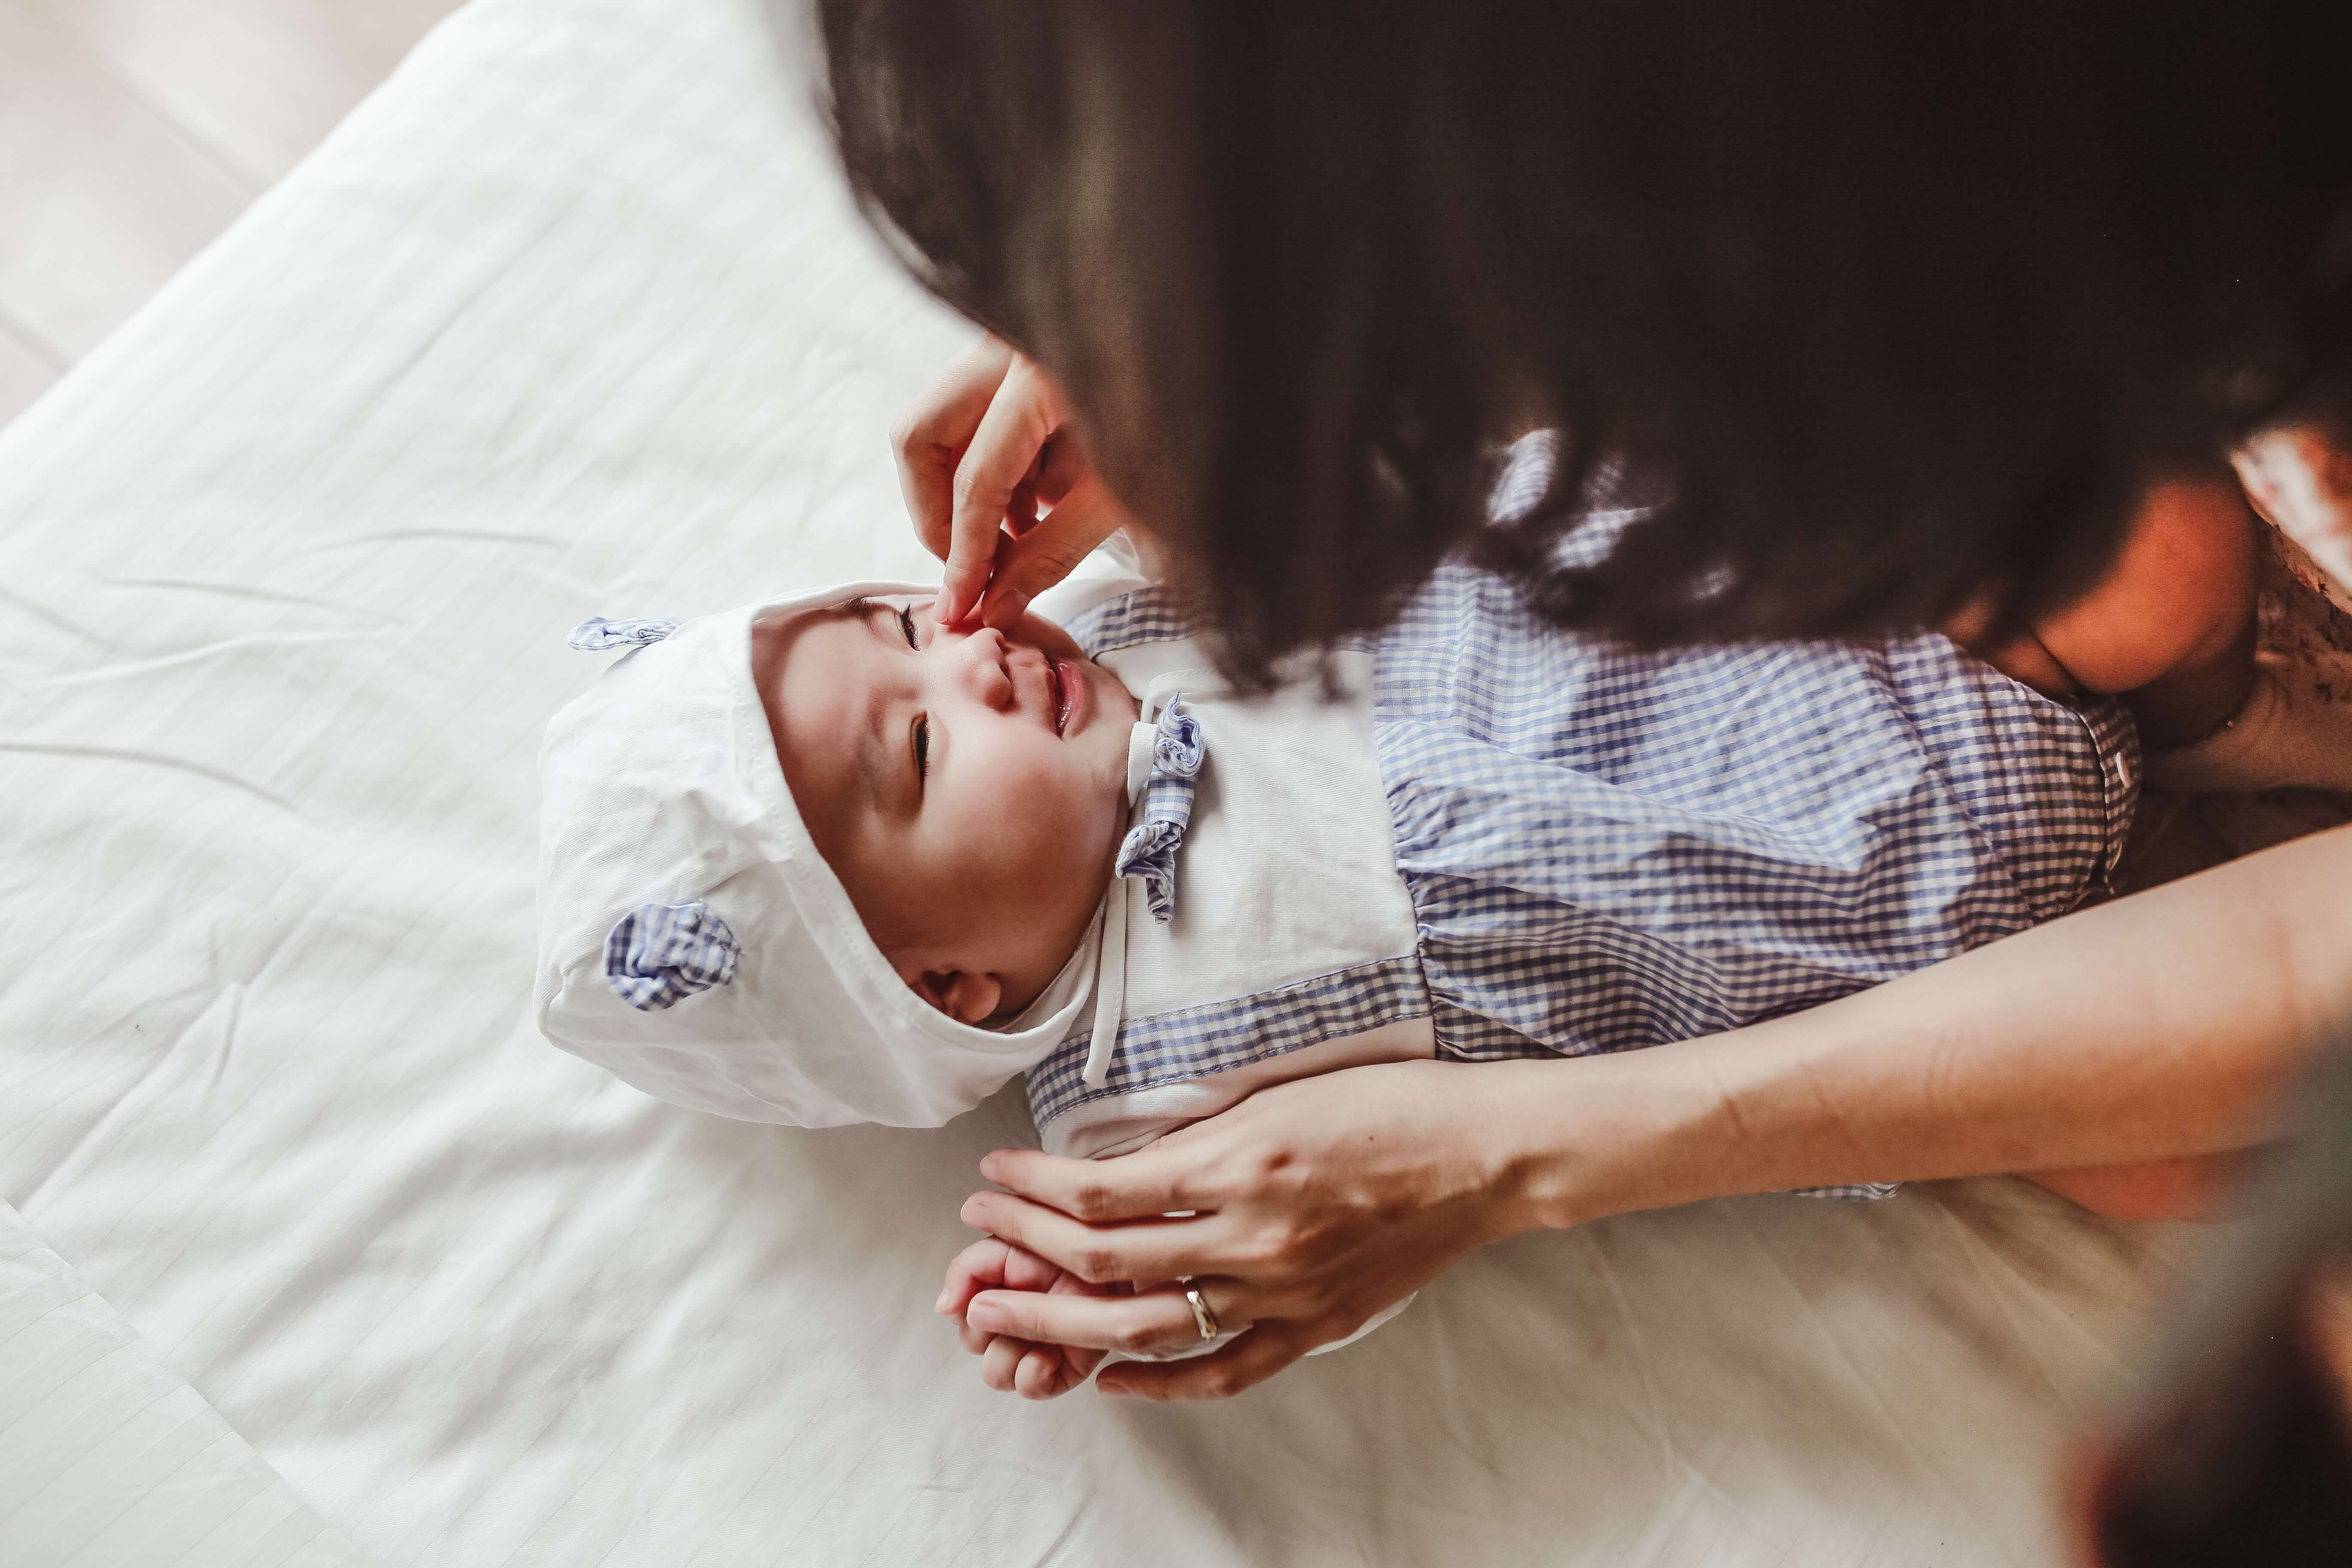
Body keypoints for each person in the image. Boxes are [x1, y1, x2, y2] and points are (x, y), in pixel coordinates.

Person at [805, 0, 2352, 1398]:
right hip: (1948, 983)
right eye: (916, 737)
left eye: (902, 629)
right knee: (2164, 1169)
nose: (964, 650)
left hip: (1954, 709)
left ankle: (2246, 715)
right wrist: (1062, 1283)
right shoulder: (1134, 1084)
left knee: (2148, 561)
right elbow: (1170, 1241)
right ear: (952, 990)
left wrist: (1530, 1159)